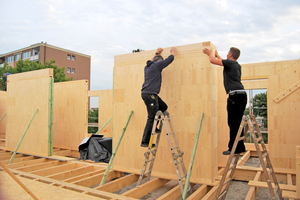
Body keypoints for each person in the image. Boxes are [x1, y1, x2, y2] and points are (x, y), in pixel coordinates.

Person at [203, 47, 247, 155]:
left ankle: (233, 148)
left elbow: (212, 61)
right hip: (242, 95)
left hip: (235, 96)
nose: (227, 54)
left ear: (231, 54)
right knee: (237, 123)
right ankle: (240, 147)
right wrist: (217, 55)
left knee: (233, 123)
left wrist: (210, 54)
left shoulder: (229, 63)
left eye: (228, 53)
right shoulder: (236, 65)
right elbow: (222, 61)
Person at [141, 47, 176, 147]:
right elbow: (169, 59)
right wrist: (173, 52)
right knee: (151, 117)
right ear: (158, 61)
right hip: (150, 95)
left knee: (163, 107)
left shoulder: (148, 66)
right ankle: (145, 142)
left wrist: (157, 53)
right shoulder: (157, 65)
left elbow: (153, 60)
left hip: (150, 94)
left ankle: (154, 127)